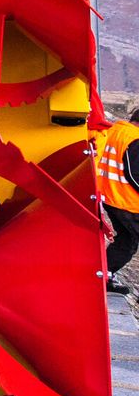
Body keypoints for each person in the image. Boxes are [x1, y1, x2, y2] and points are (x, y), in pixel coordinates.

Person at [92, 109, 139, 293]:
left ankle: (103, 276)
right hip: (127, 201)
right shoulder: (134, 139)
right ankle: (101, 276)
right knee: (127, 243)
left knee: (126, 242)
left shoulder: (113, 131)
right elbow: (134, 175)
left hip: (110, 196)